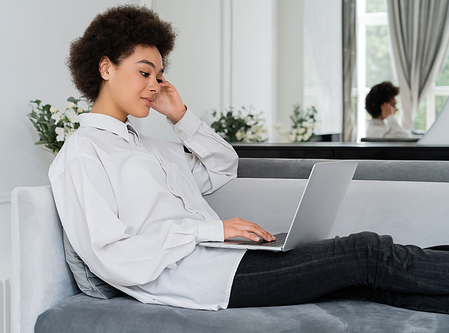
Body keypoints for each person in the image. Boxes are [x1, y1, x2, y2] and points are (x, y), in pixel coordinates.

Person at [49, 5, 449, 314]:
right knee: (367, 252)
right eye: (145, 72)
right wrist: (211, 231)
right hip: (202, 279)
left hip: (228, 259)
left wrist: (180, 116)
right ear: (105, 67)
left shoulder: (152, 147)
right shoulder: (82, 154)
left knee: (372, 283)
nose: (156, 85)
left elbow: (224, 165)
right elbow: (110, 256)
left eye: (159, 75)